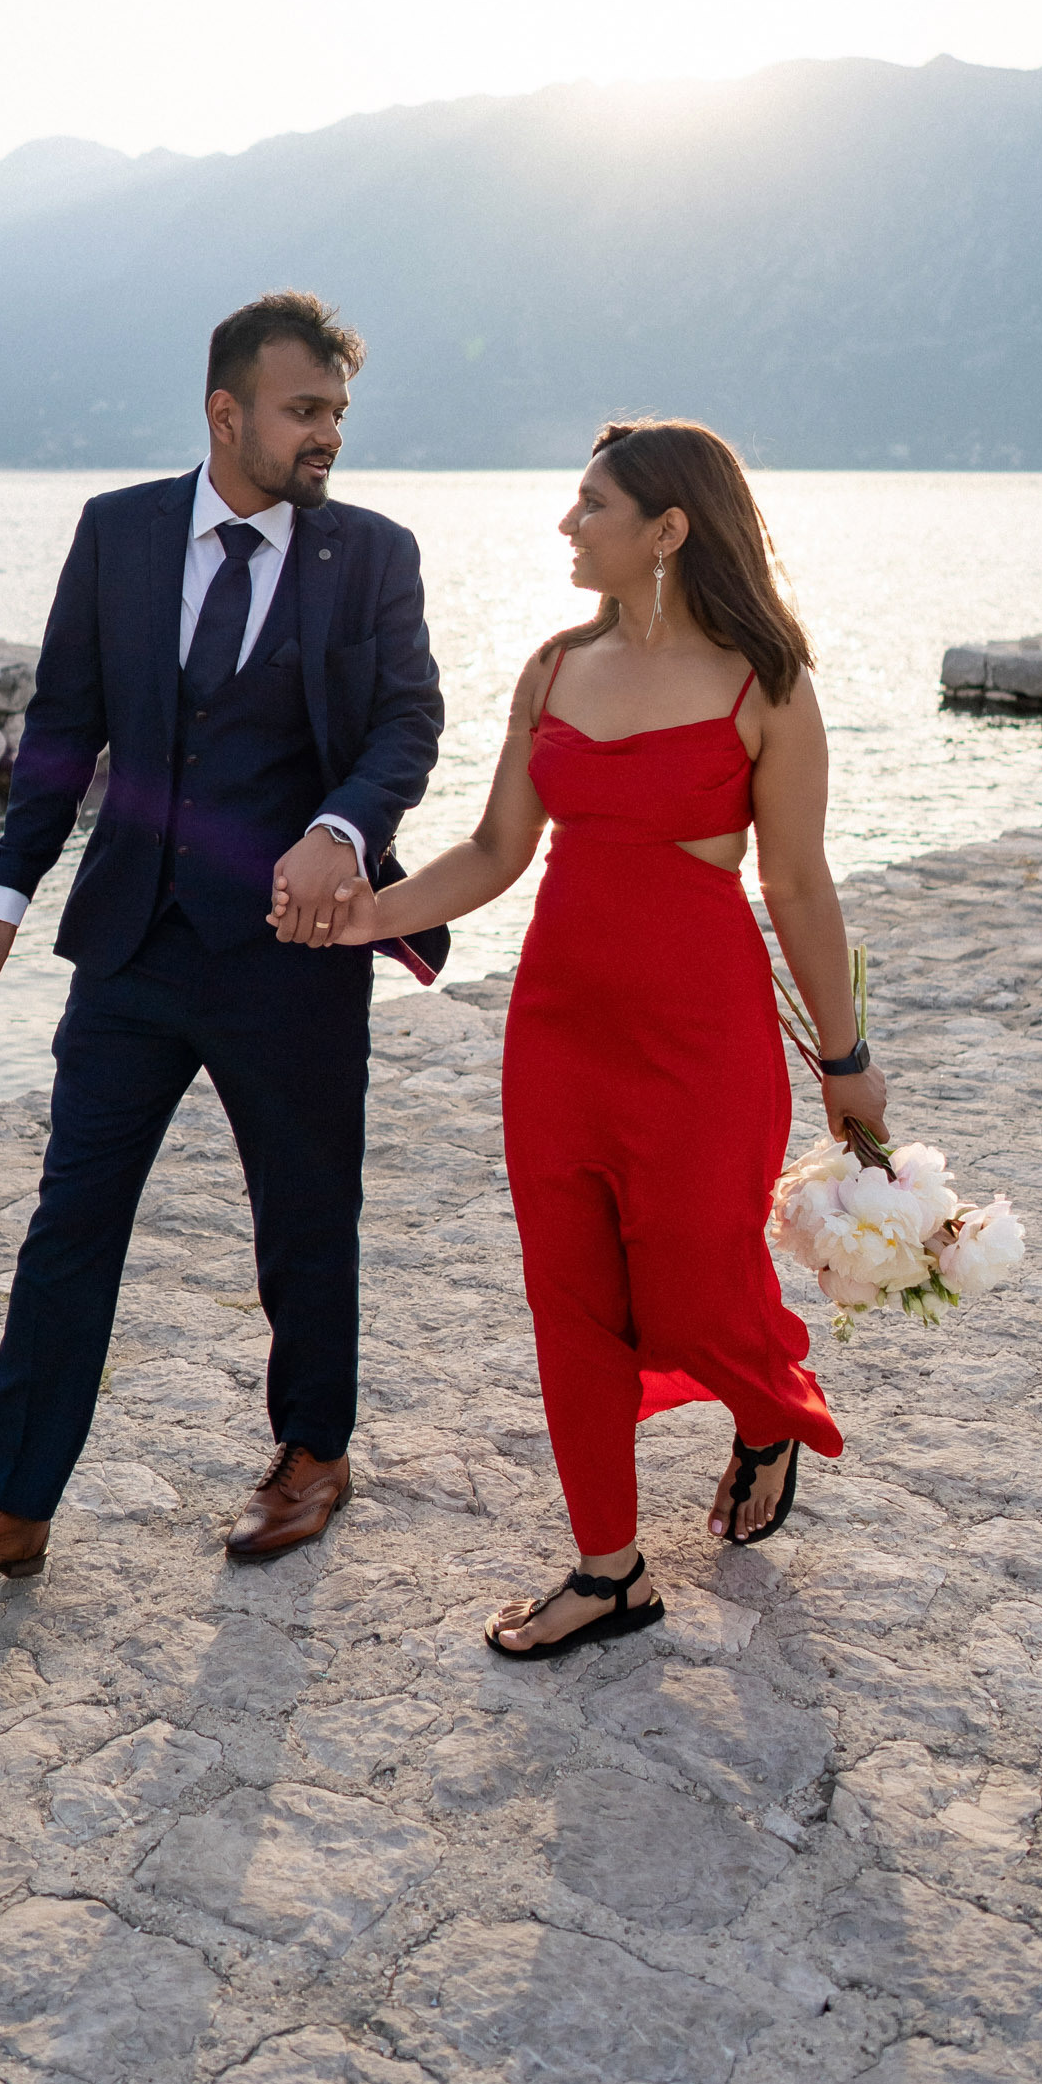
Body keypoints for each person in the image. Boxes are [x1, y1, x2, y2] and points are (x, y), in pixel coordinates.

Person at [296, 416, 886, 1658]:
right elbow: (495, 850)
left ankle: (766, 1406)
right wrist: (368, 918)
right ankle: (608, 1570)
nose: (566, 524)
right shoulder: (554, 667)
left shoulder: (764, 684)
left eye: (592, 505)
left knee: (695, 1286)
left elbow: (796, 884)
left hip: (701, 1038)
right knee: (569, 1297)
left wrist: (845, 1062)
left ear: (666, 530)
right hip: (558, 1033)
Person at [0, 290, 447, 1593]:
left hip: (293, 954)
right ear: (225, 411)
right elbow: (62, 732)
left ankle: (312, 1455)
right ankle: (11, 1506)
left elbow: (406, 725)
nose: (327, 434)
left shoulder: (372, 554)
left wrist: (339, 829)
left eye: (337, 412)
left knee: (304, 1218)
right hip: (132, 945)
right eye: (303, 410)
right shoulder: (119, 533)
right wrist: (6, 898)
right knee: (69, 1223)